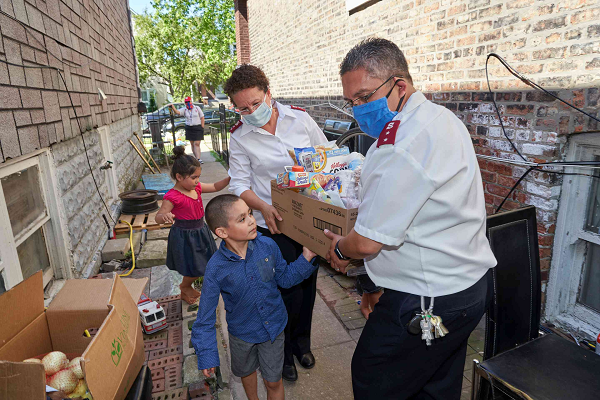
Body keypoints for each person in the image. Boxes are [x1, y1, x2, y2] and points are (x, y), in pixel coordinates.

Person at [324, 38, 497, 399]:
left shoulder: (400, 143)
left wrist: (340, 249)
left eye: (364, 97)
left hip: (427, 300)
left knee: (373, 376)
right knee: (435, 383)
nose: (358, 109)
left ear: (399, 86)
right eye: (351, 102)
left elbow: (369, 241)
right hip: (466, 287)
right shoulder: (439, 117)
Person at [224, 64, 328, 381]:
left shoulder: (300, 119)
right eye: (243, 108)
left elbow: (325, 153)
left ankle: (301, 344)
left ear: (268, 93)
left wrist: (321, 175)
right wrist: (264, 207)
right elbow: (239, 184)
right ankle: (281, 355)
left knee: (307, 284)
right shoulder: (240, 137)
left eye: (256, 103)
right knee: (283, 291)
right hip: (272, 223)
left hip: (308, 217)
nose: (251, 111)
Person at [192, 194, 317, 400]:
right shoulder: (216, 269)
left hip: (274, 330)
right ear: (222, 232)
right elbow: (204, 318)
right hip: (242, 334)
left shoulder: (268, 246)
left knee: (273, 381)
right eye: (242, 219)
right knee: (246, 373)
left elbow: (285, 278)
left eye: (250, 213)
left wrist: (306, 258)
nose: (251, 220)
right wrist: (207, 355)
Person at [155, 145, 230, 304]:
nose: (197, 181)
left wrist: (230, 177)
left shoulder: (198, 187)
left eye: (198, 177)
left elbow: (216, 186)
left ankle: (186, 286)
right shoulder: (172, 197)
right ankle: (185, 286)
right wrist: (165, 216)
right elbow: (158, 217)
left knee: (205, 262)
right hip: (185, 235)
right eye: (194, 177)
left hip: (200, 231)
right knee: (194, 266)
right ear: (179, 177)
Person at [170, 97, 205, 163]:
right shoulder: (185, 110)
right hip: (189, 127)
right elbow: (178, 112)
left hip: (197, 127)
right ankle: (196, 158)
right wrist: (173, 107)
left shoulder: (197, 108)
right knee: (192, 144)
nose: (188, 103)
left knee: (197, 143)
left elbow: (202, 117)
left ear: (191, 101)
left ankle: (198, 159)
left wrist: (202, 126)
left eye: (189, 101)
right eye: (186, 102)